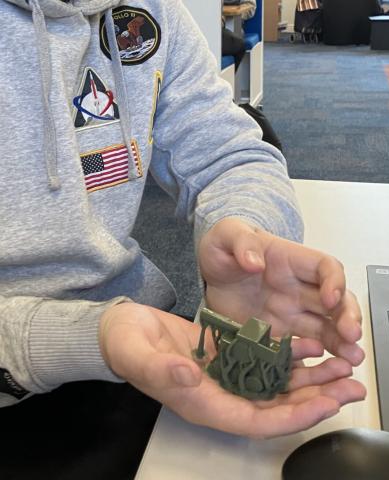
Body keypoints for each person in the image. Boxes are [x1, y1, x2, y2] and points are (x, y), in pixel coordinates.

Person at [0, 0, 366, 477]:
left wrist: (245, 228)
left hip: (140, 348)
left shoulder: (152, 12)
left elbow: (229, 153)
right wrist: (86, 338)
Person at [222, 0, 256, 71]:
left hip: (233, 24)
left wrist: (233, 13)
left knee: (238, 44)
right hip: (209, 25)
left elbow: (250, 6)